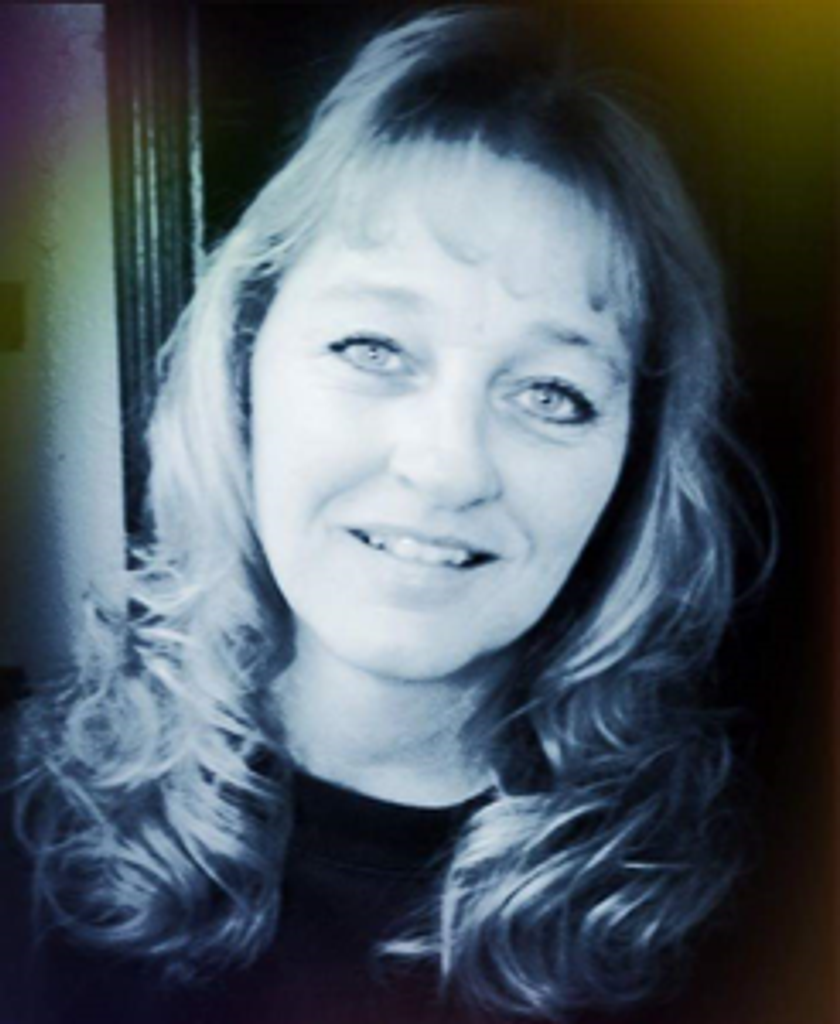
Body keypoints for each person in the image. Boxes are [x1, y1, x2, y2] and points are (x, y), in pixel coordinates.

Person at [3, 7, 764, 1023]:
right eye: (373, 348)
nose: (447, 466)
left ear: (632, 463)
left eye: (552, 393)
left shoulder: (756, 915)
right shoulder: (26, 832)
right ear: (244, 364)